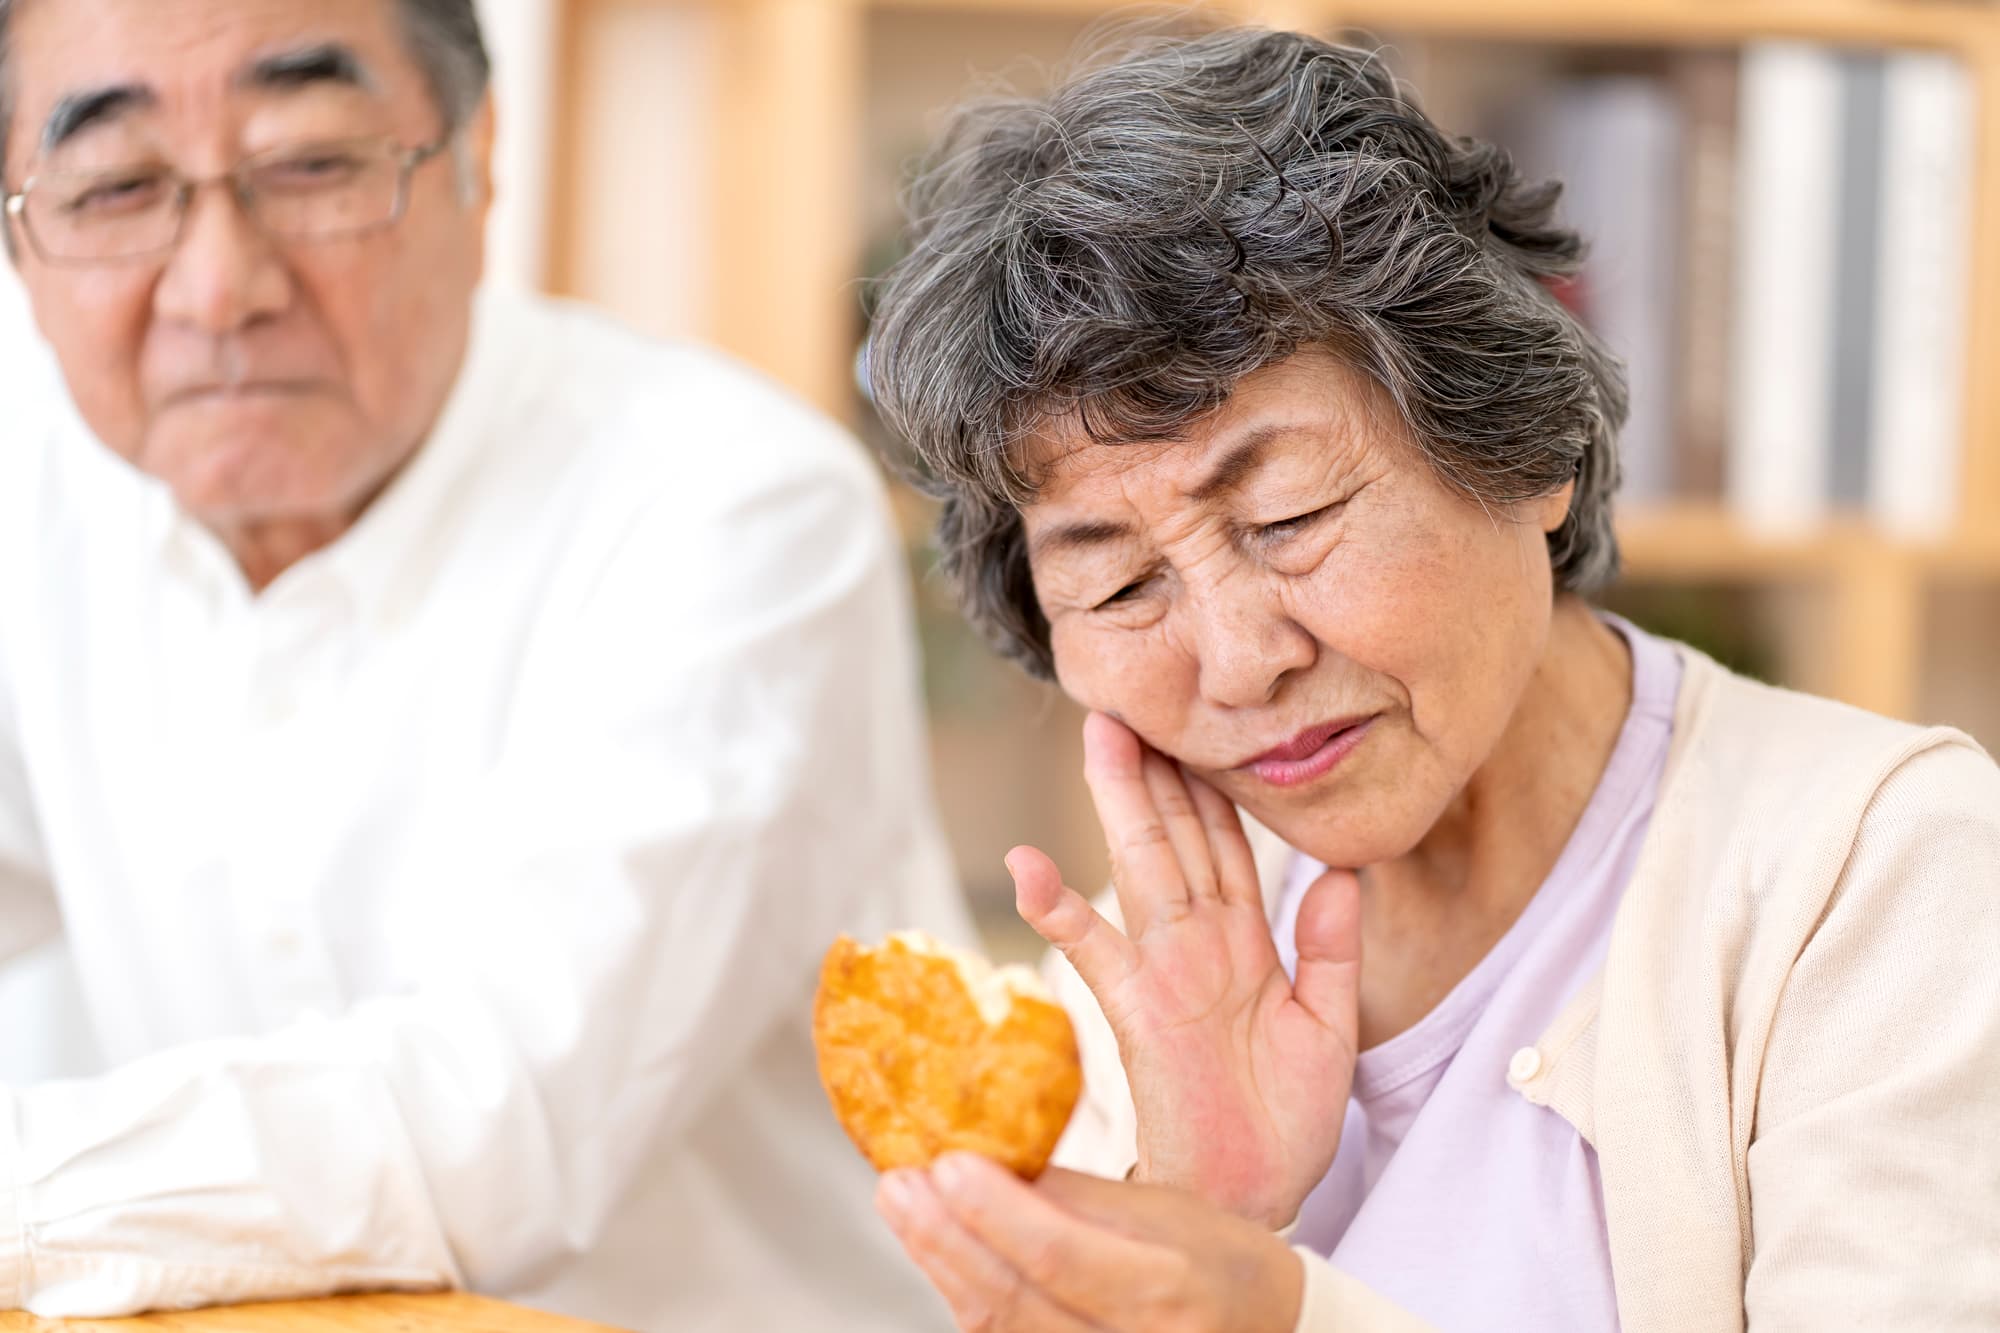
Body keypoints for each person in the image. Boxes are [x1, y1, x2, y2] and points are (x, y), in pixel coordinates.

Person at [863, 26, 2000, 1333]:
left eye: (1289, 516)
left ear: (1528, 450)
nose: (1240, 657)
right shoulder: (1165, 976)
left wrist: (1277, 1308)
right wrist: (1194, 1203)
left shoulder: (1874, 868)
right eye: (1120, 587)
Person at [0, 1, 966, 1328]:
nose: (217, 287)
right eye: (114, 186)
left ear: (478, 157)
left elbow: (492, 1123)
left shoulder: (733, 506)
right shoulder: (41, 495)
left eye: (313, 164)